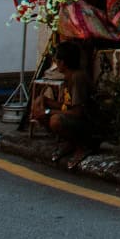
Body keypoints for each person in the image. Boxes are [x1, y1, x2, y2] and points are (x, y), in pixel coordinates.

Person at [43, 41, 93, 169]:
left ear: (63, 62)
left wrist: (49, 111)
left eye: (57, 60)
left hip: (87, 123)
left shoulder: (77, 77)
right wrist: (45, 102)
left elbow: (77, 112)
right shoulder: (68, 77)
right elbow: (66, 105)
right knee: (41, 111)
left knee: (55, 120)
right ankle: (70, 143)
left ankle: (82, 146)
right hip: (74, 117)